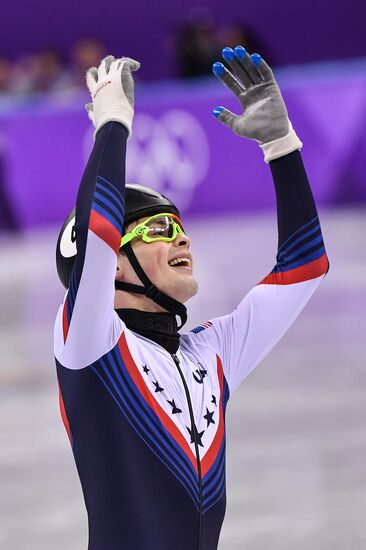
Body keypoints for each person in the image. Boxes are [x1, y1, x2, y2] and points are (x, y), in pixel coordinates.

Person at [54, 48, 329, 550]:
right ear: (115, 263)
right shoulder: (90, 346)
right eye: (160, 228)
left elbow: (305, 267)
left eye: (180, 226)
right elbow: (96, 230)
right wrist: (113, 124)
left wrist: (281, 146)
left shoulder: (211, 351)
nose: (182, 239)